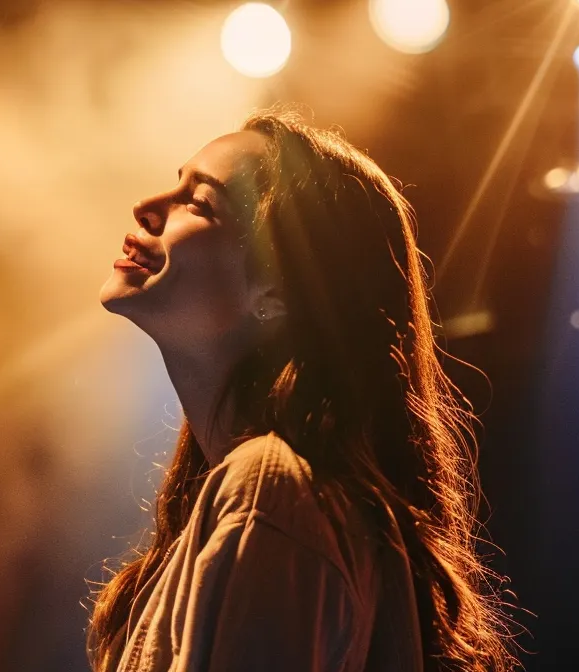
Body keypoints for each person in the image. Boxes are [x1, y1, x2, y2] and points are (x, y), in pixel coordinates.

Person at [88, 109, 515, 672]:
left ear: (279, 294)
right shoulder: (274, 495)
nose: (148, 204)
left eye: (199, 202)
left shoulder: (270, 493)